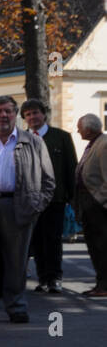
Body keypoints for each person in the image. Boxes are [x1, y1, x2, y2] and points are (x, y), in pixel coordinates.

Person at [0, 96, 55, 324]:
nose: (3, 115)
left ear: (15, 114)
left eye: (8, 111)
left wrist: (36, 206)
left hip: (18, 207)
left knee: (16, 261)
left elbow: (48, 181)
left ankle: (16, 306)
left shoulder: (32, 142)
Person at [20, 99, 77, 294]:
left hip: (55, 199)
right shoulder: (21, 138)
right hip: (29, 200)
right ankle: (43, 278)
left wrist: (72, 197)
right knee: (35, 241)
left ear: (44, 114)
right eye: (28, 115)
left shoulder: (60, 137)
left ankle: (55, 278)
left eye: (35, 113)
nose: (32, 117)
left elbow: (71, 168)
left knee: (52, 240)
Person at [73, 114, 107, 297]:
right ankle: (101, 283)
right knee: (95, 247)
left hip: (98, 208)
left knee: (101, 247)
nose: (78, 131)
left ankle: (104, 285)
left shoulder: (103, 144)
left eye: (80, 127)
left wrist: (97, 202)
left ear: (89, 128)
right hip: (89, 205)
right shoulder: (94, 143)